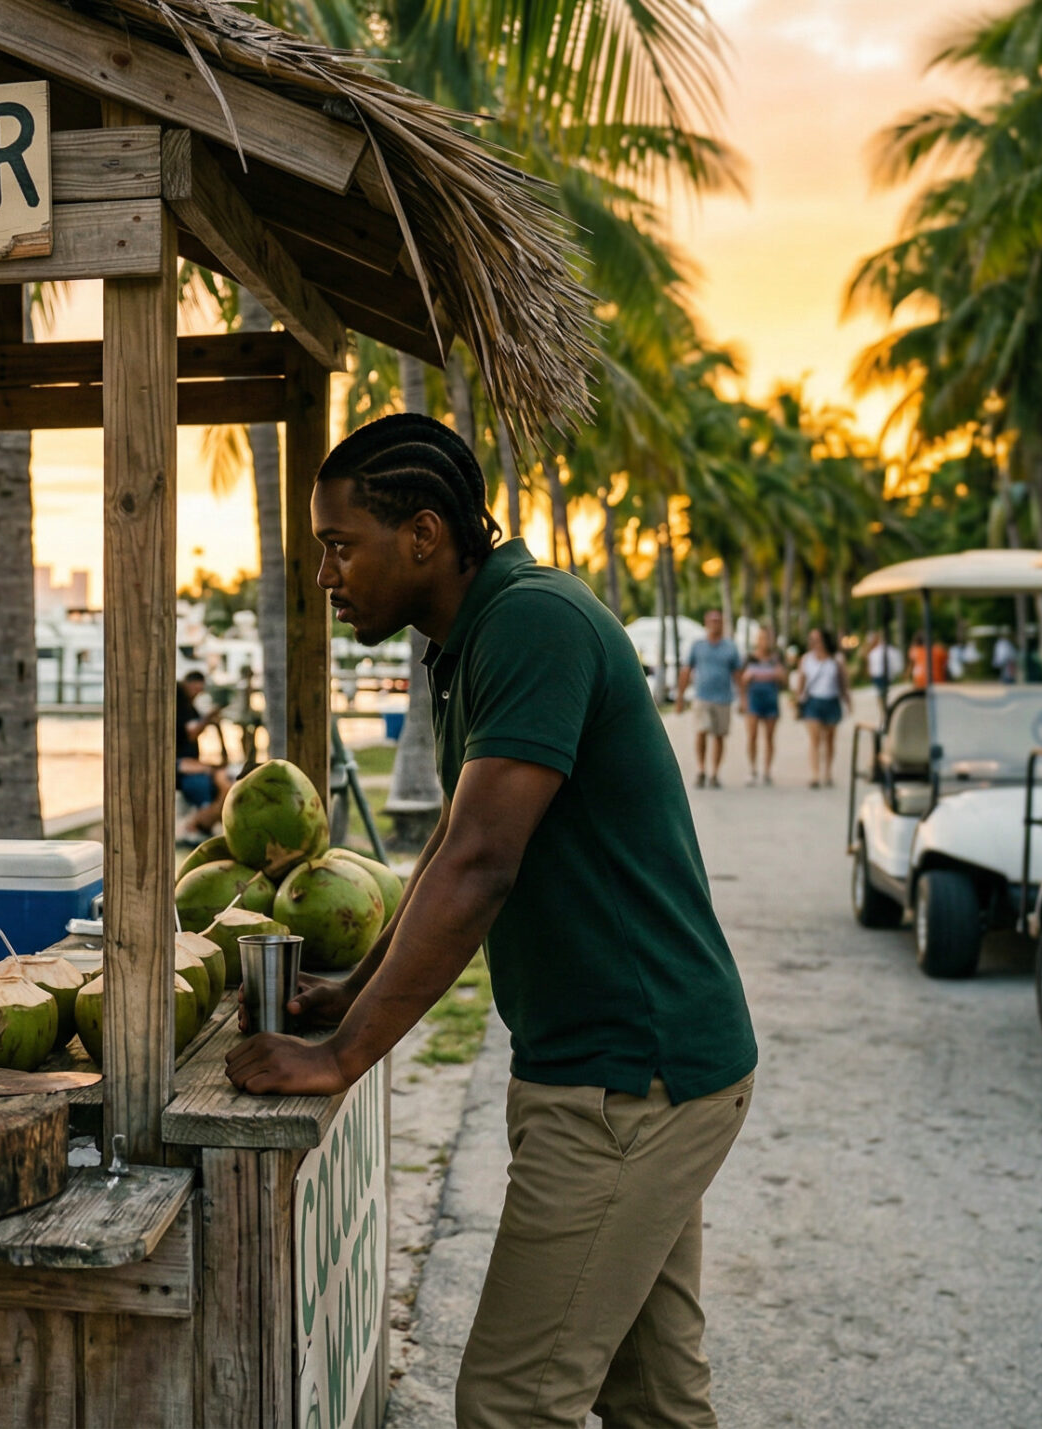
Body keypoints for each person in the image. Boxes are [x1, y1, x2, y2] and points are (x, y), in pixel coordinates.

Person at [229, 414, 755, 1429]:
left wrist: (342, 1052)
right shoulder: (475, 636)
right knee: (652, 1399)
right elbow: (448, 851)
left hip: (628, 1079)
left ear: (423, 534)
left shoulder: (531, 623)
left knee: (512, 1403)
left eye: (341, 545)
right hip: (630, 1068)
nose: (326, 574)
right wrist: (352, 987)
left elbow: (479, 867)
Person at [676, 609, 744, 788]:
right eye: (712, 621)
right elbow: (686, 671)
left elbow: (738, 674)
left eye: (718, 621)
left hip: (723, 698)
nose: (715, 624)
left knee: (719, 736)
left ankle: (714, 772)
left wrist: (743, 698)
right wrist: (680, 697)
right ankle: (701, 769)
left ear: (722, 624)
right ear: (706, 624)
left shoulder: (730, 647)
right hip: (702, 697)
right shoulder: (698, 646)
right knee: (701, 731)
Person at [796, 627, 850, 788]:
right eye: (812, 639)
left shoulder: (836, 659)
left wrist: (847, 700)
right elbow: (801, 682)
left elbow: (843, 682)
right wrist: (798, 701)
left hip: (831, 700)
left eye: (817, 639)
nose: (814, 643)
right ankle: (815, 774)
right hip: (813, 701)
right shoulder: (806, 659)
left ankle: (828, 771)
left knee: (829, 740)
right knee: (815, 740)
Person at [177, 670, 226, 837]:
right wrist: (208, 718)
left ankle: (202, 821)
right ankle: (196, 823)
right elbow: (192, 733)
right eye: (194, 690)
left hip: (189, 761)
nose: (196, 694)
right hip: (180, 764)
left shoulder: (189, 707)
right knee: (203, 782)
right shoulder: (180, 705)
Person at [739, 627, 784, 785]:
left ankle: (767, 770)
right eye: (761, 638)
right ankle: (752, 769)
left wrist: (780, 675)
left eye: (767, 638)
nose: (764, 641)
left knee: (769, 737)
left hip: (771, 700)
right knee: (752, 736)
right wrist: (743, 700)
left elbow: (783, 681)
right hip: (754, 701)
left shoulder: (776, 659)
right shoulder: (750, 658)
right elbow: (742, 681)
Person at [862, 629, 905, 705]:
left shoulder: (874, 651)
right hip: (882, 674)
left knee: (880, 693)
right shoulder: (877, 651)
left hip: (878, 674)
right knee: (882, 693)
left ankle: (883, 707)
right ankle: (884, 706)